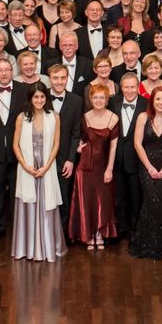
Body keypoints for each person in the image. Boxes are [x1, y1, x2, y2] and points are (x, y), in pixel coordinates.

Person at [12, 81, 66, 261]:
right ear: (30, 98)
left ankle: (48, 248)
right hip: (27, 166)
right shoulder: (22, 117)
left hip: (46, 167)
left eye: (42, 97)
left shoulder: (54, 117)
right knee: (28, 204)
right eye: (36, 97)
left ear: (46, 98)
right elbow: (15, 145)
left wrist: (47, 166)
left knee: (46, 203)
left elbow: (56, 144)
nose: (39, 100)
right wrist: (25, 165)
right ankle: (27, 248)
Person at [127, 85, 162, 259]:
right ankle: (146, 244)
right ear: (152, 100)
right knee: (151, 201)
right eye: (158, 99)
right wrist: (149, 167)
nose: (161, 102)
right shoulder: (143, 117)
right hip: (147, 166)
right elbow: (137, 144)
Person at [67, 82, 119, 249]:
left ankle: (99, 233)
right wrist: (77, 148)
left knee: (103, 201)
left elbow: (113, 147)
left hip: (103, 166)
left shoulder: (113, 118)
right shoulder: (85, 117)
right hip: (85, 166)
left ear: (107, 100)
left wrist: (109, 169)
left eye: (102, 97)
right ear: (90, 99)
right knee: (87, 200)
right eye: (95, 97)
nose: (98, 100)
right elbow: (78, 138)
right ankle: (88, 234)